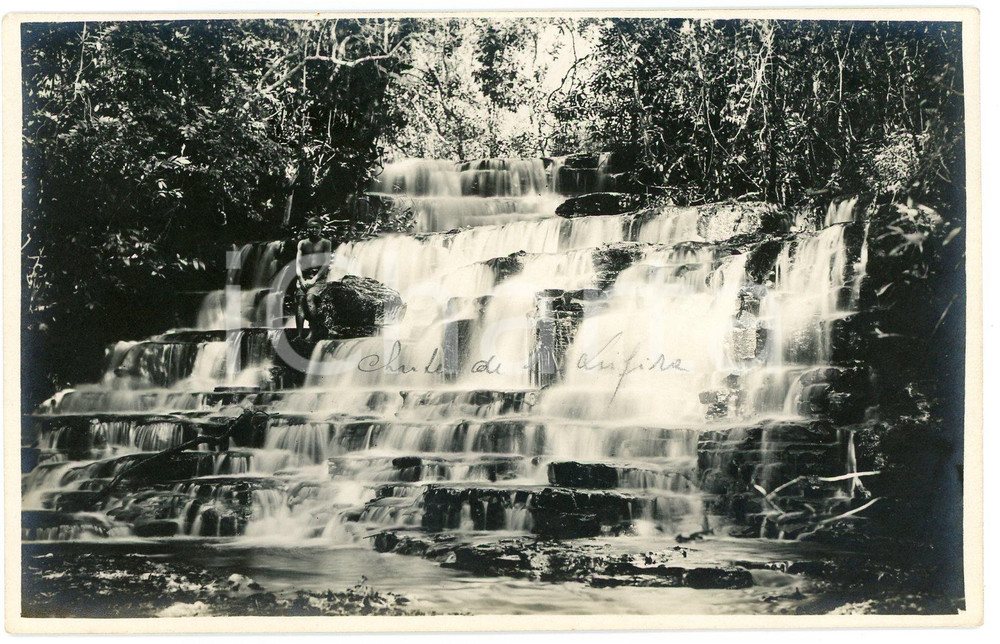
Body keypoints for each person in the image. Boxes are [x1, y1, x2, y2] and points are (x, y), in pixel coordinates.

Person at [295, 217, 332, 340]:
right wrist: (301, 279)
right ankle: (299, 334)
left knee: (309, 298)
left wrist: (314, 279)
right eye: (311, 228)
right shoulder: (302, 243)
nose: (314, 230)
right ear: (307, 229)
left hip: (318, 278)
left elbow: (325, 265)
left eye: (317, 228)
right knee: (300, 300)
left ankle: (312, 331)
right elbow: (298, 264)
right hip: (304, 277)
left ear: (321, 229)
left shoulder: (326, 243)